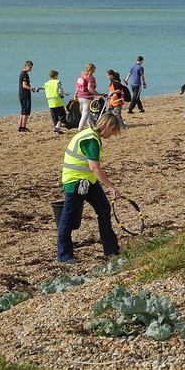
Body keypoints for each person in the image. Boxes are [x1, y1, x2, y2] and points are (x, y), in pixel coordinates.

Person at [56, 113, 122, 264]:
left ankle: (111, 249)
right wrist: (111, 187)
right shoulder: (90, 139)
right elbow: (95, 168)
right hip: (75, 181)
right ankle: (64, 255)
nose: (112, 135)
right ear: (107, 126)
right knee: (68, 217)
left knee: (104, 209)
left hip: (88, 181)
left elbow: (92, 170)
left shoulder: (92, 136)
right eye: (112, 131)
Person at [76, 64, 102, 131]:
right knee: (85, 113)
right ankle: (80, 128)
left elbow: (77, 86)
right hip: (87, 97)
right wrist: (98, 94)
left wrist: (75, 95)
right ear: (93, 70)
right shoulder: (91, 78)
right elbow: (90, 89)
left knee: (87, 112)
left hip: (80, 96)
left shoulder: (82, 76)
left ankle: (90, 126)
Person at [43, 70, 68, 134]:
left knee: (54, 116)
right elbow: (60, 92)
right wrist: (62, 96)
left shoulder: (46, 83)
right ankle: (57, 127)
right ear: (55, 76)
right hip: (57, 101)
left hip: (50, 102)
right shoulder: (58, 82)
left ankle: (56, 129)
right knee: (62, 115)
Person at [18, 60, 40, 132]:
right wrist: (33, 89)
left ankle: (21, 126)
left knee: (23, 110)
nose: (31, 69)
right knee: (26, 111)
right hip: (25, 94)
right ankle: (23, 127)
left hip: (22, 94)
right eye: (30, 67)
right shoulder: (24, 74)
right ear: (26, 66)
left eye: (31, 67)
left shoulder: (22, 73)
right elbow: (24, 85)